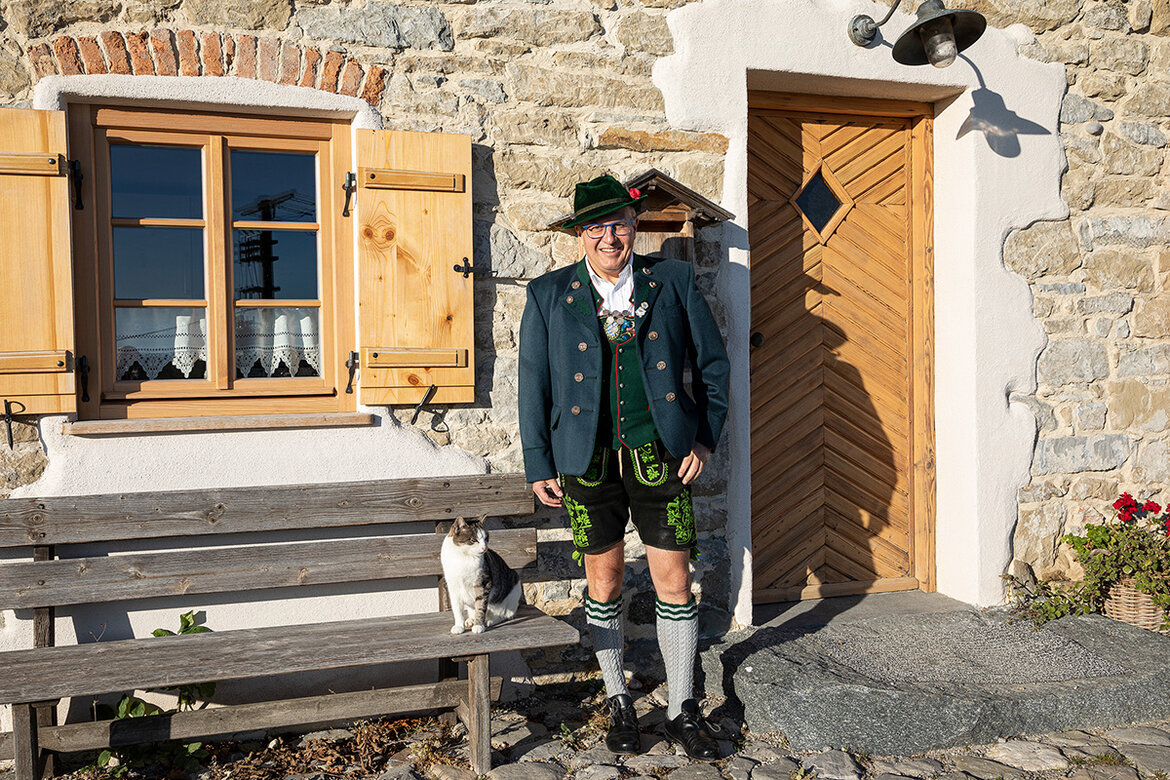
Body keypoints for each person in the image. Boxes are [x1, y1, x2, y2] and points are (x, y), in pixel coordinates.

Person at [518, 174, 730, 758]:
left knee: (674, 583)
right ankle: (619, 701)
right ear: (579, 235)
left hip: (662, 457)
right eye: (596, 228)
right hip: (586, 465)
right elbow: (532, 385)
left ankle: (684, 706)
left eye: (618, 225)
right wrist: (540, 459)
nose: (609, 237)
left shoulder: (674, 280)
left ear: (634, 227)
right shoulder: (547, 294)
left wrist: (705, 441)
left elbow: (714, 368)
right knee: (603, 581)